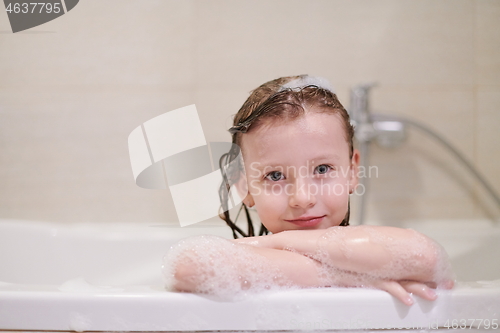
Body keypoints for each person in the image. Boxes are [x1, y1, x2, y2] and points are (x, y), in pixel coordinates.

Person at [163, 75, 454, 305]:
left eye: (322, 169)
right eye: (275, 175)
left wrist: (267, 244)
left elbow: (427, 258)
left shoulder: (369, 244)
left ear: (353, 171)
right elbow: (187, 266)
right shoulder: (371, 260)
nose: (302, 198)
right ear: (245, 186)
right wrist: (349, 275)